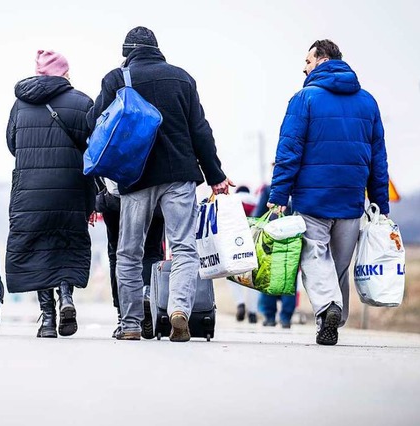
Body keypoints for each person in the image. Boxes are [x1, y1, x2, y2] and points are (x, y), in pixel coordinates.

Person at [87, 26, 233, 342]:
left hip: (135, 177)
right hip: (179, 175)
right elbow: (200, 131)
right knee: (183, 248)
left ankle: (130, 325)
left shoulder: (116, 78)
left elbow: (93, 122)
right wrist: (216, 176)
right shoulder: (182, 78)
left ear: (127, 52)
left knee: (129, 252)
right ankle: (179, 310)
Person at [266, 40, 390, 345]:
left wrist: (279, 195)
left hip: (312, 198)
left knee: (313, 255)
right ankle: (330, 319)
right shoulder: (368, 102)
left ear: (321, 60)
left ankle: (328, 308)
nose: (304, 67)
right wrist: (380, 203)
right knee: (338, 265)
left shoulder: (304, 99)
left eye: (307, 60)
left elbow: (289, 149)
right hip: (350, 200)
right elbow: (378, 157)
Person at [5, 50, 96, 338]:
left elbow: (12, 143)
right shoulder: (82, 103)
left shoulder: (20, 105)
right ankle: (66, 297)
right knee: (67, 244)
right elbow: (94, 148)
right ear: (64, 73)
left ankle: (47, 319)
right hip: (71, 187)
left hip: (30, 190)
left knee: (37, 250)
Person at [95, 178, 165, 339]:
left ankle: (124, 317)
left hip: (115, 197)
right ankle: (147, 293)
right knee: (152, 251)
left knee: (118, 254)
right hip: (152, 192)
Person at [254, 183, 297, 328]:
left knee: (268, 276)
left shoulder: (269, 189)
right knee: (289, 277)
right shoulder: (298, 187)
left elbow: (259, 213)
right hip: (292, 240)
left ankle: (270, 316)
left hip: (270, 240)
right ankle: (286, 318)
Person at [230, 185, 258, 324]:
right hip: (254, 243)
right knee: (253, 279)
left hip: (235, 243)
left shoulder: (232, 201)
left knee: (234, 276)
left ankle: (240, 303)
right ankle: (252, 312)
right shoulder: (256, 201)